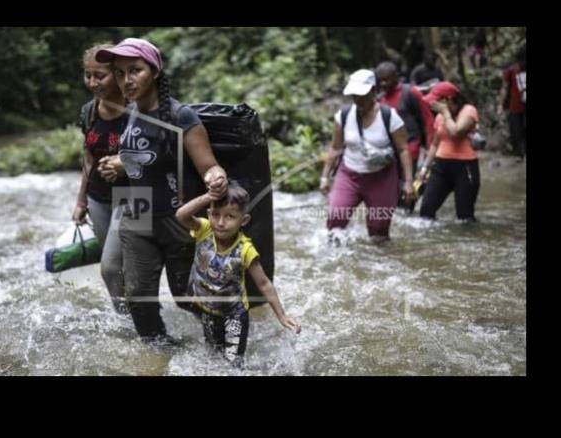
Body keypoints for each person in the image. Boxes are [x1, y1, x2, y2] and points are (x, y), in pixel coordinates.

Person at [95, 38, 229, 344]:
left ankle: (222, 344)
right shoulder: (129, 112)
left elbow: (209, 165)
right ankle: (162, 356)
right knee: (139, 300)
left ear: (154, 71)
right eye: (118, 73)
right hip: (138, 209)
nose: (125, 80)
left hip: (177, 216)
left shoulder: (182, 117)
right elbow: (145, 155)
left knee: (185, 298)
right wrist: (120, 163)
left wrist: (216, 177)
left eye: (135, 71)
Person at [175, 183, 300, 367]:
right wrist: (209, 197)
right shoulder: (204, 230)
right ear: (209, 214)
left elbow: (264, 283)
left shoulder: (245, 249)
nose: (220, 222)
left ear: (244, 220)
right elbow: (181, 215)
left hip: (234, 317)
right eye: (216, 214)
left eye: (230, 216)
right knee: (213, 354)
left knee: (233, 362)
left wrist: (281, 316)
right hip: (208, 311)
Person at [320, 69, 414, 243]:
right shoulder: (343, 116)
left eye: (362, 95)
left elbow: (403, 149)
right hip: (349, 174)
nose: (358, 99)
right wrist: (325, 177)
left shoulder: (389, 116)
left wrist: (408, 182)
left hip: (382, 178)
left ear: (373, 91)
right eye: (354, 95)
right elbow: (335, 148)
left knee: (379, 229)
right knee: (335, 218)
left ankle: (377, 263)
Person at [72, 43, 130, 315]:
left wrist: (125, 164)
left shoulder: (140, 110)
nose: (92, 82)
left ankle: (134, 322)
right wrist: (81, 200)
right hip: (98, 198)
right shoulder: (89, 112)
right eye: (87, 75)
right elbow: (89, 157)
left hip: (135, 198)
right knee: (117, 265)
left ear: (118, 74)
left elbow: (158, 156)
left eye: (100, 75)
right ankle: (129, 317)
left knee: (112, 267)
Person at [418, 81, 481, 222]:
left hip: (465, 168)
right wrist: (424, 168)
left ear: (448, 99)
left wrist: (445, 112)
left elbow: (456, 132)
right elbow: (435, 144)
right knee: (426, 210)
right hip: (441, 167)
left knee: (465, 217)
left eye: (437, 100)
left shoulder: (468, 111)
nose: (433, 104)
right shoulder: (440, 117)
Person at [376, 61, 436, 175]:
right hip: (388, 153)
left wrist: (429, 149)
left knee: (408, 186)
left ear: (395, 77)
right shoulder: (380, 99)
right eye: (380, 80)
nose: (383, 84)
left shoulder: (410, 93)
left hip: (411, 149)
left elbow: (428, 120)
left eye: (386, 79)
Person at [500, 44, 526, 159]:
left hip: (518, 106)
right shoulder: (511, 71)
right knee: (516, 131)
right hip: (516, 106)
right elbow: (505, 88)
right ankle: (519, 153)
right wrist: (501, 104)